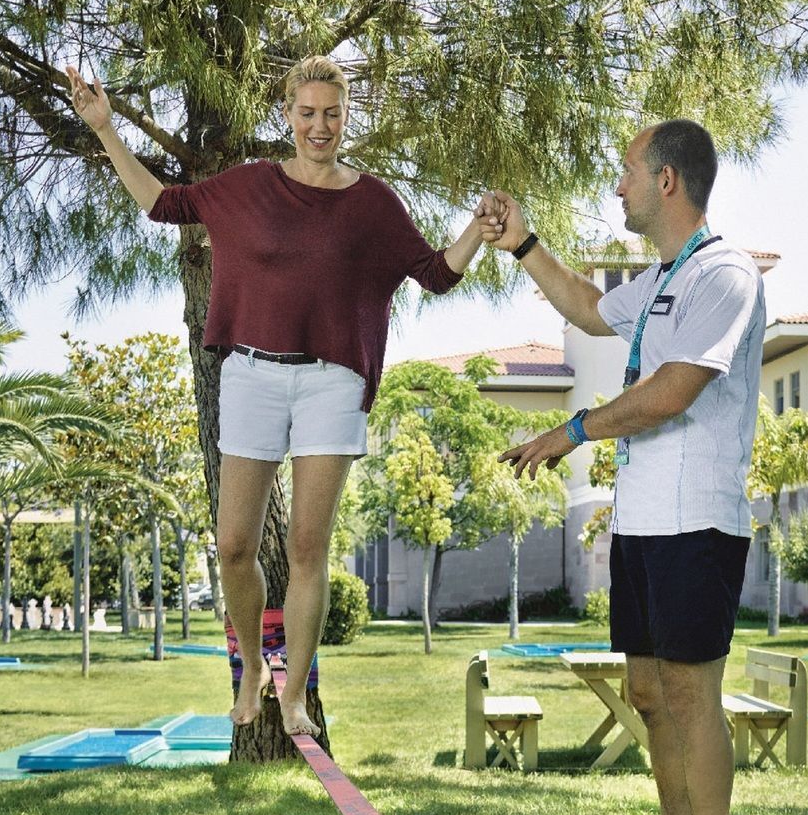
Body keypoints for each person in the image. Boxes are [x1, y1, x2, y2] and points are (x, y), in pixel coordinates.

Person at [68, 55, 495, 736]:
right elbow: (161, 203)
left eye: (331, 113)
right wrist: (105, 128)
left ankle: (294, 693)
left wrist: (477, 229)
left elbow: (434, 274)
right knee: (234, 545)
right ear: (287, 115)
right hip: (251, 375)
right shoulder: (247, 188)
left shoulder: (374, 202)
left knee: (305, 545)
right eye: (306, 113)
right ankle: (254, 670)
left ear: (346, 116)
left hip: (331, 379)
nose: (319, 126)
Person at [493, 120, 766, 815]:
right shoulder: (662, 278)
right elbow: (586, 306)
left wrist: (571, 430)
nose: (618, 186)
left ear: (667, 180)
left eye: (626, 172)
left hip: (699, 520)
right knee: (647, 691)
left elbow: (675, 390)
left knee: (690, 691)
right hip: (642, 519)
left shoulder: (725, 275)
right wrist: (523, 244)